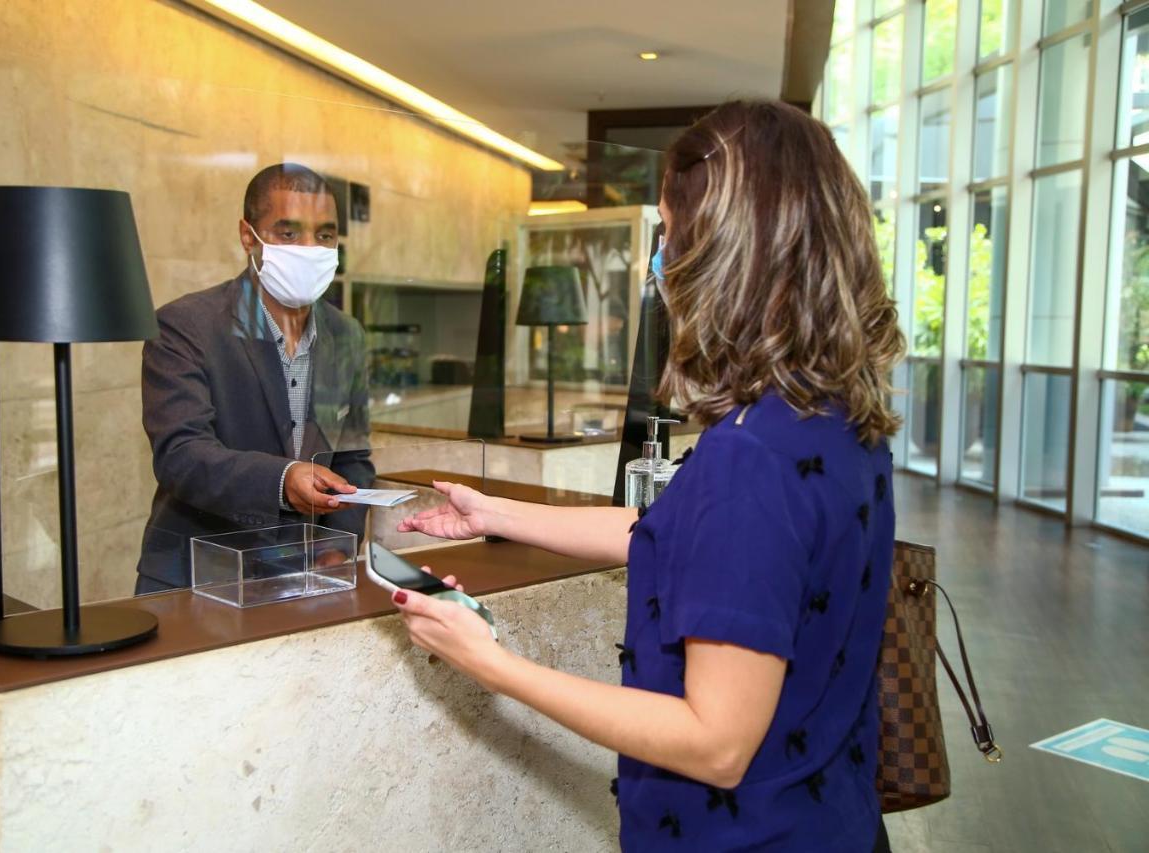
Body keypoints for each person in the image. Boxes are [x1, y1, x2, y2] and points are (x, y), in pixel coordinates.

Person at [392, 100, 905, 851]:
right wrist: (493, 513)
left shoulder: (750, 457)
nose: (656, 257)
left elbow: (715, 742)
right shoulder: (832, 418)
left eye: (668, 231)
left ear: (724, 251)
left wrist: (494, 664)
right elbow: (687, 538)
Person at [136, 163, 374, 594]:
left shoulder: (346, 335)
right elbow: (181, 454)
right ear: (249, 236)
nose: (309, 247)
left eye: (324, 235)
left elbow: (353, 456)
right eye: (288, 233)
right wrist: (283, 480)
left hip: (306, 574)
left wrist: (339, 543)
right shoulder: (186, 326)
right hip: (196, 575)